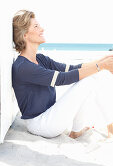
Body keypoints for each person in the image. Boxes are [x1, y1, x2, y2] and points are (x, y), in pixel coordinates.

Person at [12, 9, 113, 139]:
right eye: (36, 26)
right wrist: (102, 66)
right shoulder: (23, 66)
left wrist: (103, 60)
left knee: (91, 76)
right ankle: (110, 127)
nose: (42, 29)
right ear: (25, 35)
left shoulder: (41, 59)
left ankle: (76, 132)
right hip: (40, 124)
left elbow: (71, 68)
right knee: (88, 80)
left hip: (51, 115)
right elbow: (61, 78)